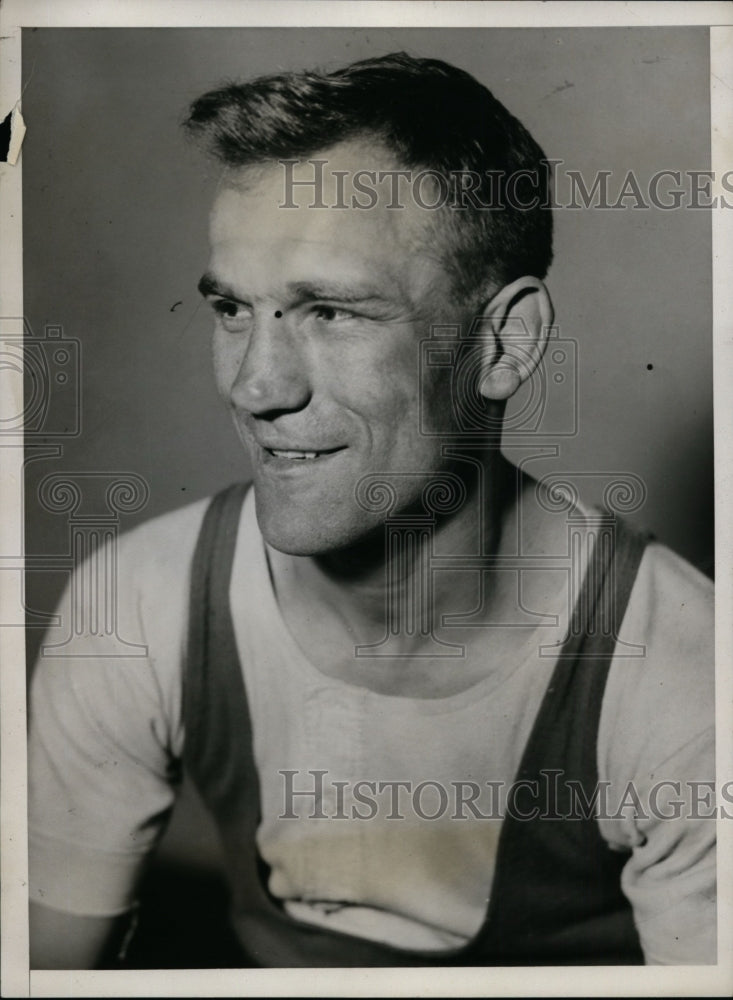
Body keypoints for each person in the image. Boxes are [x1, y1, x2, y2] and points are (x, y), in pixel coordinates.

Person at [28, 53, 715, 968]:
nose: (255, 385)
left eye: (333, 313)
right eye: (234, 308)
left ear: (504, 343)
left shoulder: (687, 685)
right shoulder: (136, 606)